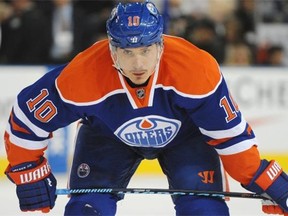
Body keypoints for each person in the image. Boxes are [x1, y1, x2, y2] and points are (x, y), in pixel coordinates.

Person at [3, 1, 288, 216]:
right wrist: (29, 169)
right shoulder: (84, 73)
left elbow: (231, 138)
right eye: (127, 51)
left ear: (161, 46)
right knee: (86, 210)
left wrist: (268, 181)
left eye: (145, 50)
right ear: (111, 48)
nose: (137, 64)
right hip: (108, 136)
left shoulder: (195, 69)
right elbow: (27, 119)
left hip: (186, 138)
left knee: (204, 210)